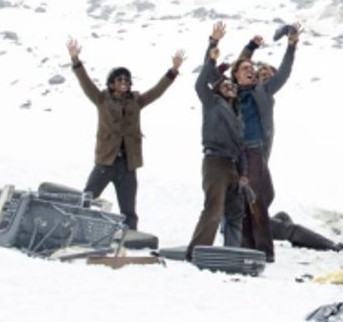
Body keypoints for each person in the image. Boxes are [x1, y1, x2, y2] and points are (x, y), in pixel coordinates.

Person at [66, 39, 184, 231]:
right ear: (111, 84)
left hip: (128, 165)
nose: (124, 82)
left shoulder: (136, 101)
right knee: (87, 198)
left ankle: (129, 240)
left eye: (127, 80)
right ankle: (73, 230)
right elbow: (85, 82)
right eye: (119, 79)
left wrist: (173, 70)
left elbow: (157, 91)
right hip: (106, 161)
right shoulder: (101, 99)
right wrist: (75, 60)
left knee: (128, 210)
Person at [228, 26, 299, 261]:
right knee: (242, 202)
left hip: (255, 150)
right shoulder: (232, 92)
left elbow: (285, 73)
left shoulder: (263, 90)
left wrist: (291, 46)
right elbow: (239, 64)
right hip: (236, 153)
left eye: (252, 69)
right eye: (246, 69)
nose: (250, 71)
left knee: (258, 201)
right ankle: (246, 247)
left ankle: (265, 252)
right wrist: (250, 47)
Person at [187, 22, 249, 260]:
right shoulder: (212, 103)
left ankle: (232, 252)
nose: (230, 87)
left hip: (232, 164)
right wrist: (213, 46)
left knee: (235, 212)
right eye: (225, 85)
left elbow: (241, 146)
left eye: (232, 85)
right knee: (213, 209)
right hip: (215, 161)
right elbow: (202, 81)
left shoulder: (237, 115)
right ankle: (197, 252)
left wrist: (242, 173)